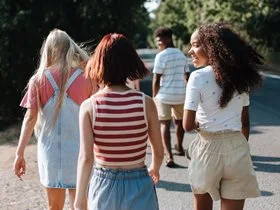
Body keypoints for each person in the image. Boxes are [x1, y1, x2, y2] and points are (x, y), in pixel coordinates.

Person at [74, 33, 164, 210]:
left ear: (98, 63)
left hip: (104, 185)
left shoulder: (90, 106)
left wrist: (79, 201)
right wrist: (154, 167)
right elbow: (158, 151)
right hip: (139, 182)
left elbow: (86, 158)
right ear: (131, 63)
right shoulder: (145, 103)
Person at [13, 29, 97, 210]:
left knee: (54, 207)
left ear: (48, 50)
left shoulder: (38, 79)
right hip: (81, 153)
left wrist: (19, 153)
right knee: (82, 206)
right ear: (70, 48)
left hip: (50, 153)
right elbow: (98, 115)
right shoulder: (86, 77)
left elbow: (30, 118)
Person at [183, 22, 262, 210]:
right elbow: (245, 123)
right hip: (237, 147)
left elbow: (186, 125)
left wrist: (199, 125)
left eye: (195, 45)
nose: (190, 51)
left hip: (207, 148)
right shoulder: (241, 77)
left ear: (211, 47)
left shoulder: (198, 77)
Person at [152, 27, 190, 167]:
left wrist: (154, 96)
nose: (159, 44)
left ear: (168, 39)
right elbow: (187, 75)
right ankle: (179, 146)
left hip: (164, 96)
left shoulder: (161, 56)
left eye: (160, 41)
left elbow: (156, 79)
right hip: (181, 94)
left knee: (164, 124)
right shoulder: (181, 54)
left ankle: (169, 156)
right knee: (179, 122)